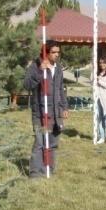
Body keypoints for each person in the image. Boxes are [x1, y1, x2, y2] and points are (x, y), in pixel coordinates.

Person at [24, 40, 69, 177]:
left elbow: (60, 89)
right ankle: (35, 173)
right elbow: (27, 85)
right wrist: (39, 72)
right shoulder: (36, 66)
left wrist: (64, 107)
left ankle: (48, 169)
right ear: (46, 52)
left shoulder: (58, 68)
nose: (57, 55)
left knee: (53, 142)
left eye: (58, 52)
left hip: (56, 113)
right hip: (40, 112)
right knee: (40, 142)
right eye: (53, 52)